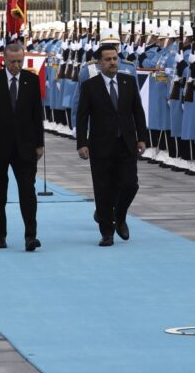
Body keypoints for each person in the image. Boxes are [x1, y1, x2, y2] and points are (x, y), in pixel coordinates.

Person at [75, 43, 149, 246]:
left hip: (126, 143)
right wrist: (82, 142)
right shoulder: (90, 86)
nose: (112, 62)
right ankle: (107, 232)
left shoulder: (128, 81)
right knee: (103, 188)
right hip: (100, 145)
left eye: (114, 58)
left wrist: (142, 137)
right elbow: (82, 117)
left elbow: (138, 112)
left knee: (130, 184)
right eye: (107, 59)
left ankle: (121, 215)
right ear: (98, 64)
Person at [0, 43, 44, 251]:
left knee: (27, 192)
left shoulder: (31, 80)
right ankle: (0, 235)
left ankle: (30, 236)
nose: (16, 65)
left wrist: (39, 144)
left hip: (25, 147)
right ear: (4, 60)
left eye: (20, 61)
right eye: (13, 61)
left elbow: (36, 115)